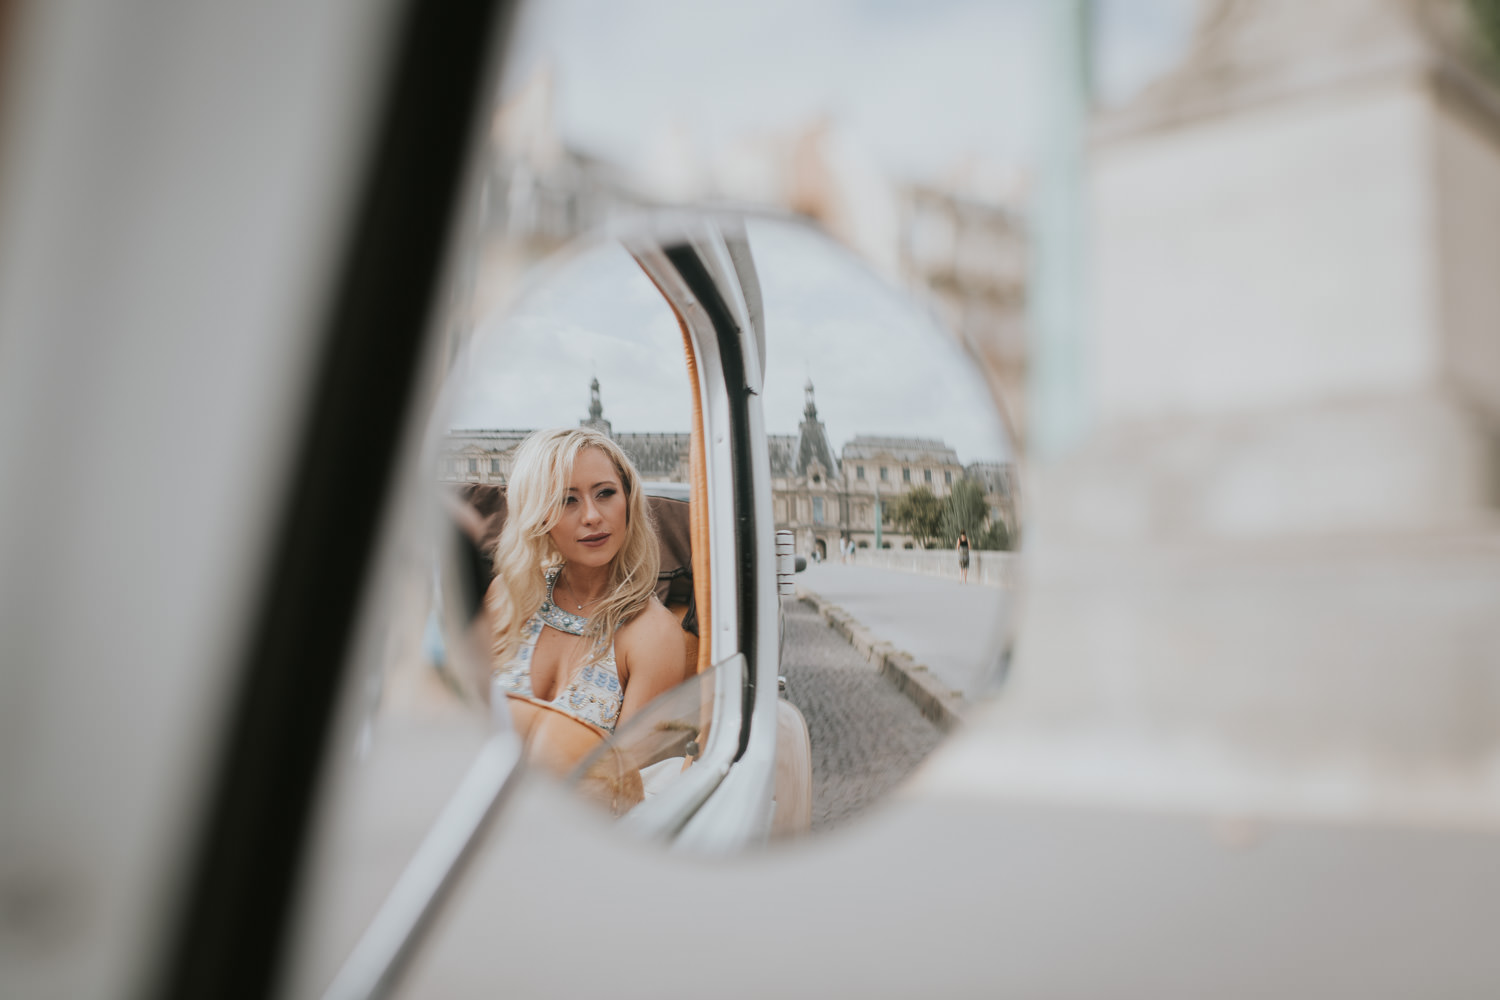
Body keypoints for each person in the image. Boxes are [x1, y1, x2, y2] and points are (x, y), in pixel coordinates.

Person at [486, 428, 685, 746]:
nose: (592, 516)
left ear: (628, 500)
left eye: (605, 493)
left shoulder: (654, 636)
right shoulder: (509, 594)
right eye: (567, 500)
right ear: (538, 516)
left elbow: (627, 783)